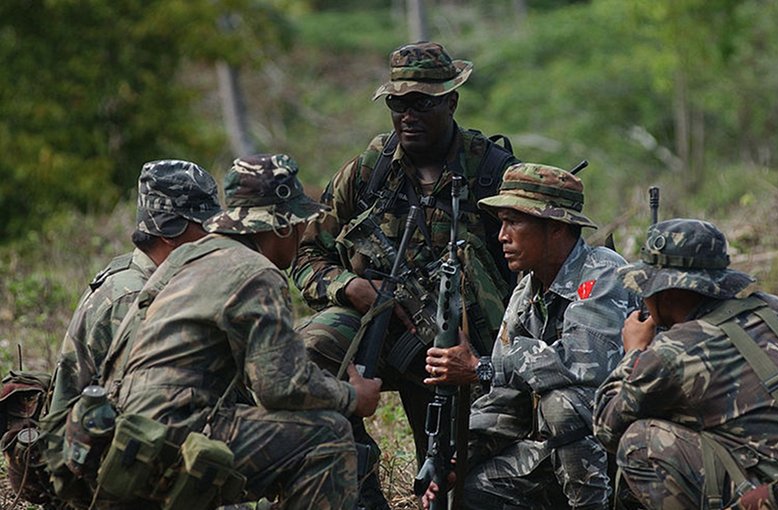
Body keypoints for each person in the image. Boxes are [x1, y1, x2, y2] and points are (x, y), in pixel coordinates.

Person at [291, 41, 518, 508]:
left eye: (422, 103)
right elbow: (306, 253)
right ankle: (357, 487)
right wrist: (347, 286)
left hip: (465, 348)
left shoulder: (492, 174)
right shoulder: (369, 172)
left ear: (451, 101)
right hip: (376, 331)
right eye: (397, 103)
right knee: (306, 352)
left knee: (455, 483)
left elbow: (535, 273)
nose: (407, 115)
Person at [102, 154, 383, 509]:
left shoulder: (187, 258)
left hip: (127, 437)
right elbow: (280, 386)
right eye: (298, 224)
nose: (301, 236)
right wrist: (351, 396)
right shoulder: (255, 272)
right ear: (281, 226)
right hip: (175, 435)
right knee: (329, 433)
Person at [594, 218, 778, 509]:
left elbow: (606, 427)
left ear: (664, 292)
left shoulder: (676, 349)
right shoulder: (777, 309)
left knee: (639, 442)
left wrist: (634, 352)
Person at [442, 162, 636, 510]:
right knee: (472, 491)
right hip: (563, 448)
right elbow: (504, 397)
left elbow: (582, 364)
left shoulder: (603, 273)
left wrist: (485, 368)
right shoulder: (527, 289)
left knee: (561, 403)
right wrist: (458, 454)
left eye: (514, 222)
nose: (502, 236)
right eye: (501, 222)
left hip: (625, 446)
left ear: (557, 229)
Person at [48, 159, 222, 415]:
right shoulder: (133, 297)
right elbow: (140, 401)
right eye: (204, 226)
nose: (212, 237)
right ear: (169, 232)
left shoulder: (138, 274)